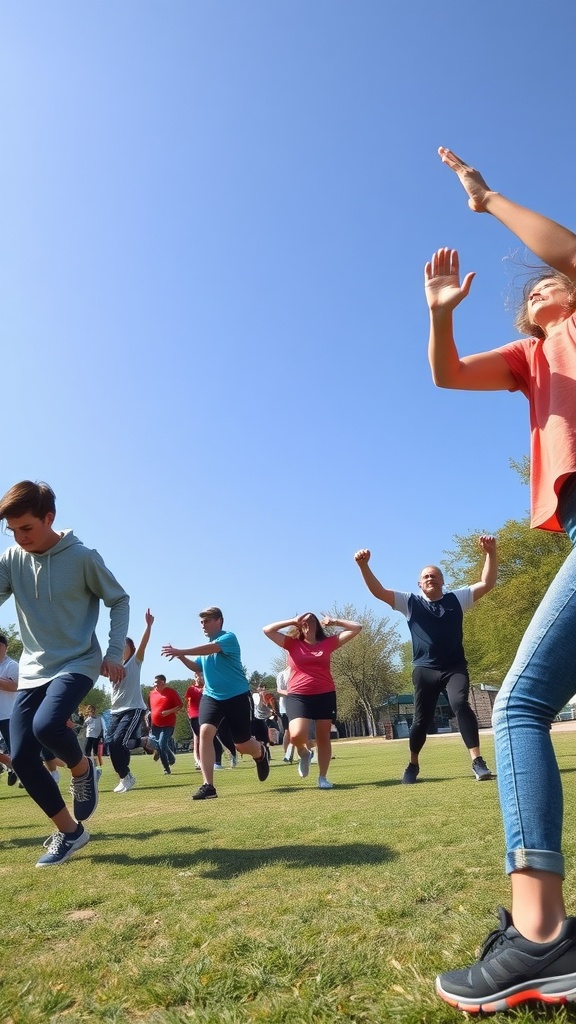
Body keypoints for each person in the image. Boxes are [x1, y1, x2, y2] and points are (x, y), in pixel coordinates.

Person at [425, 146, 576, 1012]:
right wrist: (443, 314)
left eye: (548, 290)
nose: (538, 296)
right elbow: (445, 372)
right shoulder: (530, 360)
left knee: (518, 704)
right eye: (529, 302)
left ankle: (539, 936)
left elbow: (569, 257)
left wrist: (486, 201)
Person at [0, 480, 128, 866]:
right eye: (13, 531)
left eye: (27, 528)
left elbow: (119, 600)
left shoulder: (83, 557)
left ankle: (82, 768)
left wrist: (114, 652)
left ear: (49, 518)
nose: (21, 538)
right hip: (35, 667)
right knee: (22, 759)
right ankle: (71, 832)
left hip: (77, 661)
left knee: (47, 726)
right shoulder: (11, 560)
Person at [355, 538, 497, 784]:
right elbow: (379, 592)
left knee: (460, 704)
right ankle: (413, 764)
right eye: (426, 577)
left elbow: (487, 583)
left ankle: (477, 761)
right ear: (419, 583)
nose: (430, 578)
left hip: (454, 667)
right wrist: (364, 566)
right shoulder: (410, 602)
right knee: (422, 719)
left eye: (434, 576)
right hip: (425, 670)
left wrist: (491, 554)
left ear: (442, 581)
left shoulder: (457, 599)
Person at [162, 607, 270, 800]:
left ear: (219, 621)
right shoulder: (205, 648)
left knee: (242, 745)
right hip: (212, 697)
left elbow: (212, 649)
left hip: (237, 696)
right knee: (205, 733)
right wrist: (181, 657)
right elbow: (197, 667)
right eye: (201, 622)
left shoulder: (228, 638)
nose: (203, 625)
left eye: (207, 621)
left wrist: (182, 650)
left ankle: (260, 752)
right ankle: (208, 786)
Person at [262, 613, 362, 789]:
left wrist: (335, 622)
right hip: (298, 696)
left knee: (323, 738)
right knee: (296, 734)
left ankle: (322, 778)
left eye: (311, 621)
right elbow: (267, 630)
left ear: (318, 625)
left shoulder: (327, 643)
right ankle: (303, 752)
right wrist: (292, 620)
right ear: (299, 626)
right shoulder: (292, 644)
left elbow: (357, 628)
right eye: (303, 622)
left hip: (325, 694)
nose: (307, 624)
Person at [108, 609, 155, 793]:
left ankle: (126, 774)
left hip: (133, 708)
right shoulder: (113, 666)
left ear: (130, 648)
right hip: (115, 711)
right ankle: (124, 776)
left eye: (124, 644)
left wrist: (148, 626)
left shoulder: (135, 661)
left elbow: (143, 644)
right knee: (112, 744)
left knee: (119, 741)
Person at [148, 674, 183, 775]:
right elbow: (151, 709)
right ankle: (167, 765)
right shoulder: (151, 694)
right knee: (159, 746)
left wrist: (169, 711)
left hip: (168, 723)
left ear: (163, 682)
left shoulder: (171, 692)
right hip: (155, 725)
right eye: (154, 682)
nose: (155, 684)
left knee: (162, 744)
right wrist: (150, 722)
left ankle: (168, 764)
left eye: (157, 682)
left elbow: (180, 705)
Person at [0, 633, 19, 786]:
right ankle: (11, 764)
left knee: (18, 751)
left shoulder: (11, 665)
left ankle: (19, 769)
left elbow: (15, 686)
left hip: (8, 715)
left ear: (6, 647)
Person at [83, 705, 104, 773]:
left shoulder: (99, 717)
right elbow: (85, 724)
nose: (91, 711)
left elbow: (101, 725)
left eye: (92, 709)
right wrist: (90, 717)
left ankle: (95, 763)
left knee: (95, 748)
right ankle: (87, 760)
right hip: (90, 734)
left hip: (97, 734)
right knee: (88, 747)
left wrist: (101, 733)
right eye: (89, 709)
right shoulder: (88, 718)